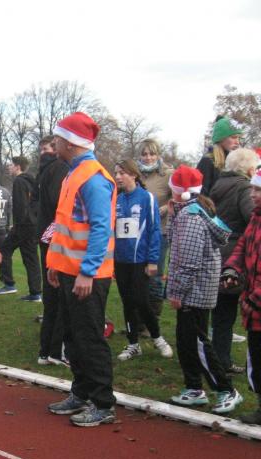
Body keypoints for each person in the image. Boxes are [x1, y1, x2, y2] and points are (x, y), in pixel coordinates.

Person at [45, 112, 118, 427]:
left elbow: (101, 228)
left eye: (58, 138)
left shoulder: (93, 178)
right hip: (69, 271)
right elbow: (64, 225)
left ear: (70, 143)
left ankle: (103, 403)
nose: (54, 143)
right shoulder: (73, 174)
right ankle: (81, 392)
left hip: (88, 276)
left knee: (89, 339)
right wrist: (55, 264)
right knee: (73, 337)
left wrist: (87, 271)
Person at [166, 165, 243, 413]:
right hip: (194, 290)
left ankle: (226, 390)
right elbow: (175, 246)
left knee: (198, 345)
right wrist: (172, 215)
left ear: (180, 191)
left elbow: (188, 262)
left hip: (194, 292)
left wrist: (177, 292)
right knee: (185, 342)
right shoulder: (187, 213)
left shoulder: (190, 218)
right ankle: (194, 388)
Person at [112, 159, 173, 360]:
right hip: (121, 260)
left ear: (133, 175)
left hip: (140, 260)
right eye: (116, 173)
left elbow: (154, 230)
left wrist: (152, 260)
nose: (118, 177)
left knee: (141, 301)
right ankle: (133, 344)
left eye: (122, 173)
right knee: (127, 303)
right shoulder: (117, 199)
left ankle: (158, 338)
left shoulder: (147, 198)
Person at [209, 148, 260, 373]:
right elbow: (252, 217)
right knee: (227, 313)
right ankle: (223, 361)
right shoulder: (243, 187)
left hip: (219, 251)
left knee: (220, 314)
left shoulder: (219, 185)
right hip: (237, 252)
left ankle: (218, 359)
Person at [222, 167, 261, 425]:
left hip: (255, 302)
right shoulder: (255, 218)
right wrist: (232, 269)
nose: (252, 194)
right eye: (253, 188)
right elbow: (242, 247)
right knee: (256, 357)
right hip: (253, 304)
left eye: (257, 190)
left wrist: (253, 300)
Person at [35, 135, 70, 366]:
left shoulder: (44, 171)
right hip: (56, 237)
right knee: (60, 295)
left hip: (47, 236)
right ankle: (56, 350)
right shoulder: (59, 169)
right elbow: (61, 207)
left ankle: (46, 350)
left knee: (51, 294)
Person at [0, 156, 41, 301]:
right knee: (31, 258)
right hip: (33, 225)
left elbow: (20, 206)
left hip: (23, 226)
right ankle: (36, 293)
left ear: (18, 166)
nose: (9, 167)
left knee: (4, 249)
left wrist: (16, 225)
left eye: (11, 165)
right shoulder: (32, 181)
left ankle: (9, 284)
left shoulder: (19, 181)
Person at [137, 138, 174, 319]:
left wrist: (166, 208)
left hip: (160, 230)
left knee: (155, 274)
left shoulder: (168, 174)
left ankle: (153, 319)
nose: (148, 158)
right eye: (144, 154)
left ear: (158, 155)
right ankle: (139, 318)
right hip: (139, 231)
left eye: (152, 154)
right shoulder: (136, 174)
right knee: (138, 274)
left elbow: (179, 196)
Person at [197, 116, 243, 197]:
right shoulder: (207, 162)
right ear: (221, 139)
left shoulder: (237, 163)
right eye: (233, 137)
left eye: (239, 138)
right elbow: (201, 195)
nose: (237, 142)